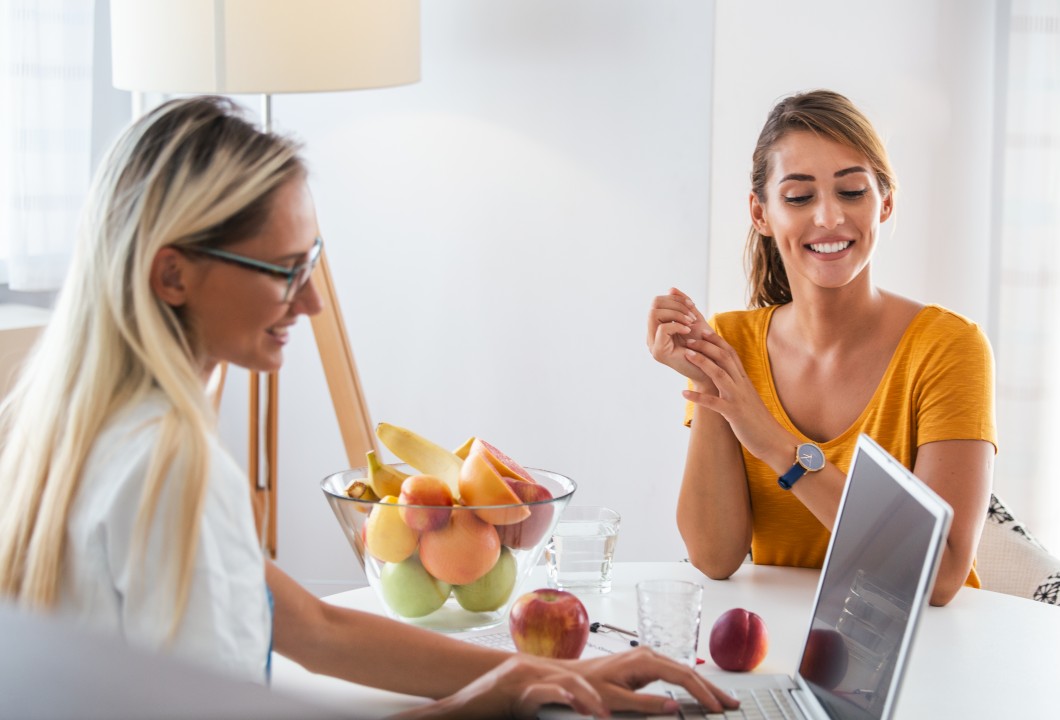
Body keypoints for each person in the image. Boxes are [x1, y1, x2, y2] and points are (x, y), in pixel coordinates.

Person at [0, 96, 737, 719]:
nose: (313, 301)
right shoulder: (173, 473)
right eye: (286, 272)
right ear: (173, 276)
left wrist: (530, 674)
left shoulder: (70, 432)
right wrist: (477, 707)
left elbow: (315, 626)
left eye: (312, 264)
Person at [647, 89, 996, 608]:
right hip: (781, 645)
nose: (830, 217)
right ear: (760, 213)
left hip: (927, 650)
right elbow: (714, 556)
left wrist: (773, 443)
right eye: (799, 196)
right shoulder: (732, 342)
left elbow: (940, 575)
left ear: (886, 203)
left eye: (852, 191)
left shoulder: (948, 348)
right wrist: (707, 374)